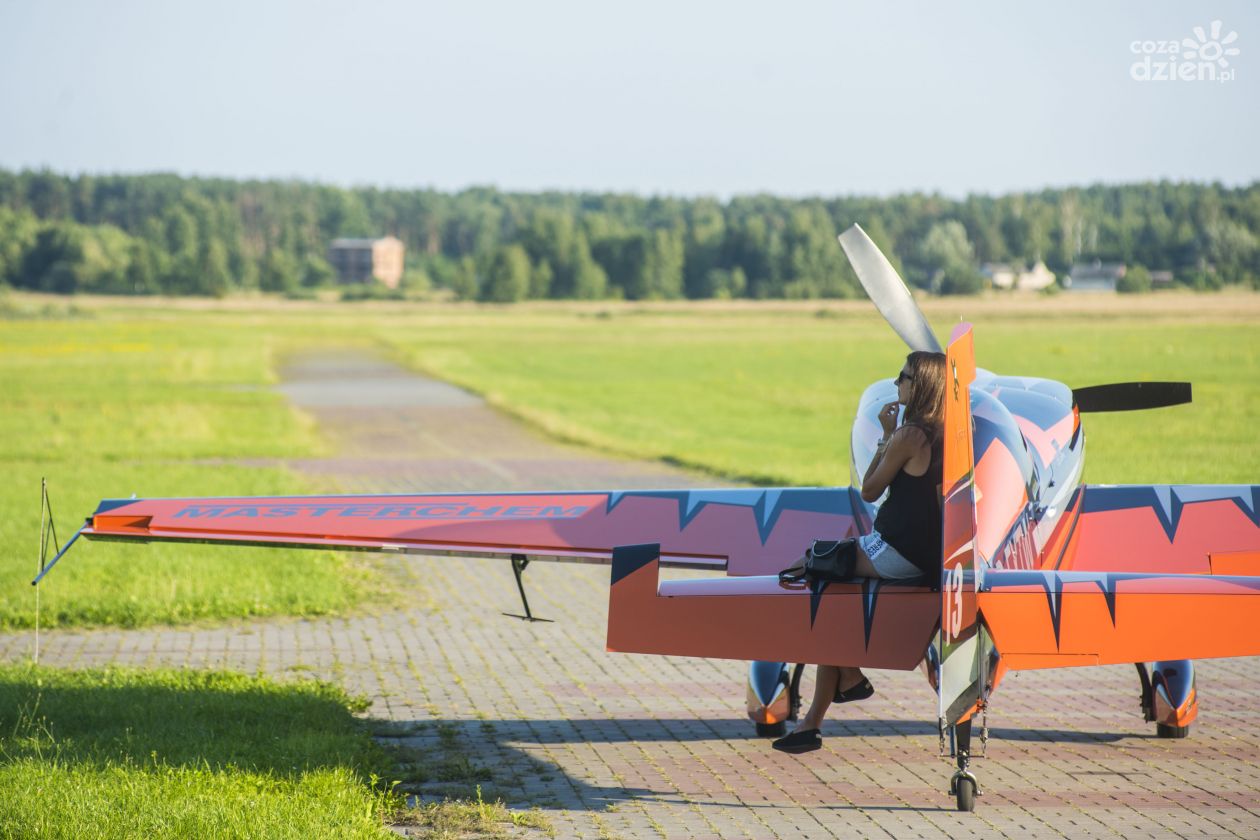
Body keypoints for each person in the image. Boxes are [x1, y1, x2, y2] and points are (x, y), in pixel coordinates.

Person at [773, 350, 947, 754]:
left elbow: (868, 489)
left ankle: (849, 678)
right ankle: (813, 721)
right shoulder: (948, 433)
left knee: (811, 566)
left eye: (903, 377)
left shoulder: (911, 435)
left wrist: (887, 434)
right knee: (833, 597)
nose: (896, 383)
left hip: (895, 552)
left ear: (920, 385)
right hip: (926, 556)